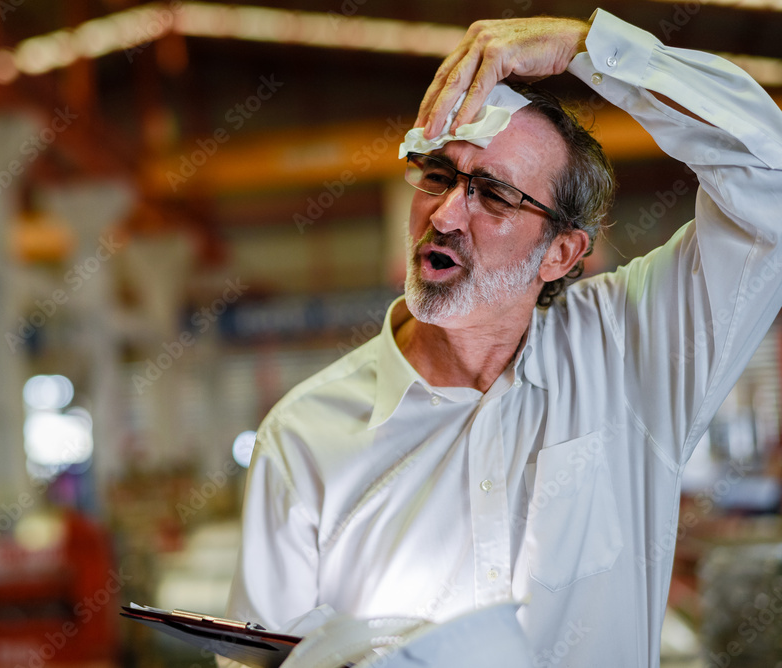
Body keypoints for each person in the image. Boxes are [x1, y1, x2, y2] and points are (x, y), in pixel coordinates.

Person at [226, 8, 782, 667]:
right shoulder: (304, 437)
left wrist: (586, 47)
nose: (444, 212)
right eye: (437, 175)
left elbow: (769, 175)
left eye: (492, 193)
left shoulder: (632, 351)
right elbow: (253, 657)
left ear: (561, 252)